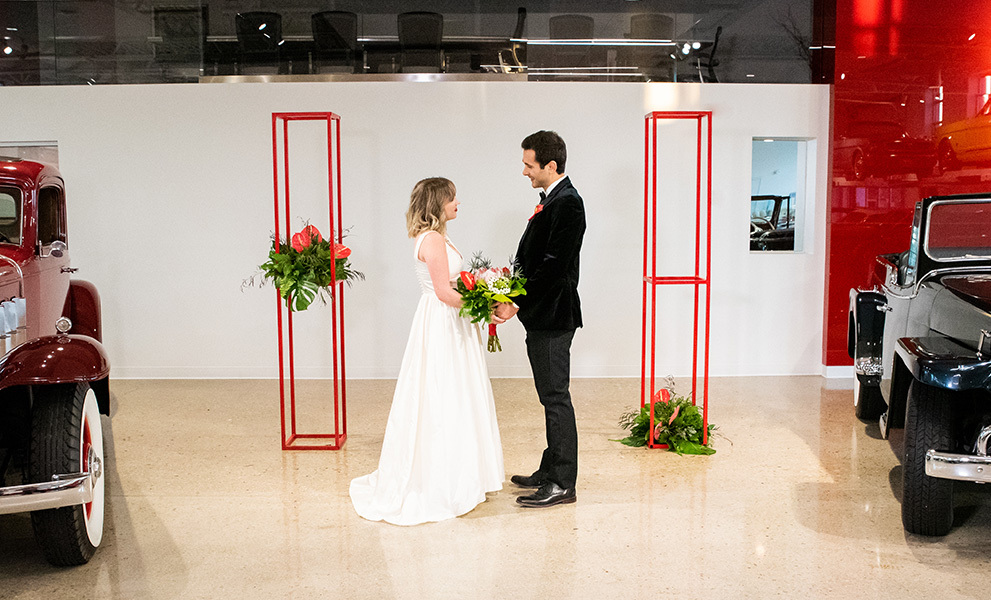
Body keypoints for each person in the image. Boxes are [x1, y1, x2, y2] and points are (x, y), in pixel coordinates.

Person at [349, 177, 504, 525]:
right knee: (444, 391)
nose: (457, 203)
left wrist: (480, 289)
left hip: (451, 319)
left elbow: (452, 284)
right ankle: (442, 480)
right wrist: (486, 307)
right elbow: (443, 292)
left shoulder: (438, 236)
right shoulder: (432, 239)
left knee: (457, 391)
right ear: (437, 204)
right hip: (442, 321)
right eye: (452, 198)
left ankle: (463, 473)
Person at [495, 131, 586, 508]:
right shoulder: (554, 199)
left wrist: (515, 301)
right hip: (543, 315)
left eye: (528, 165)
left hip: (553, 315)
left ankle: (563, 482)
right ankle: (550, 470)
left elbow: (552, 267)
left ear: (550, 165)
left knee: (555, 398)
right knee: (550, 396)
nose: (524, 172)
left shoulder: (568, 203)